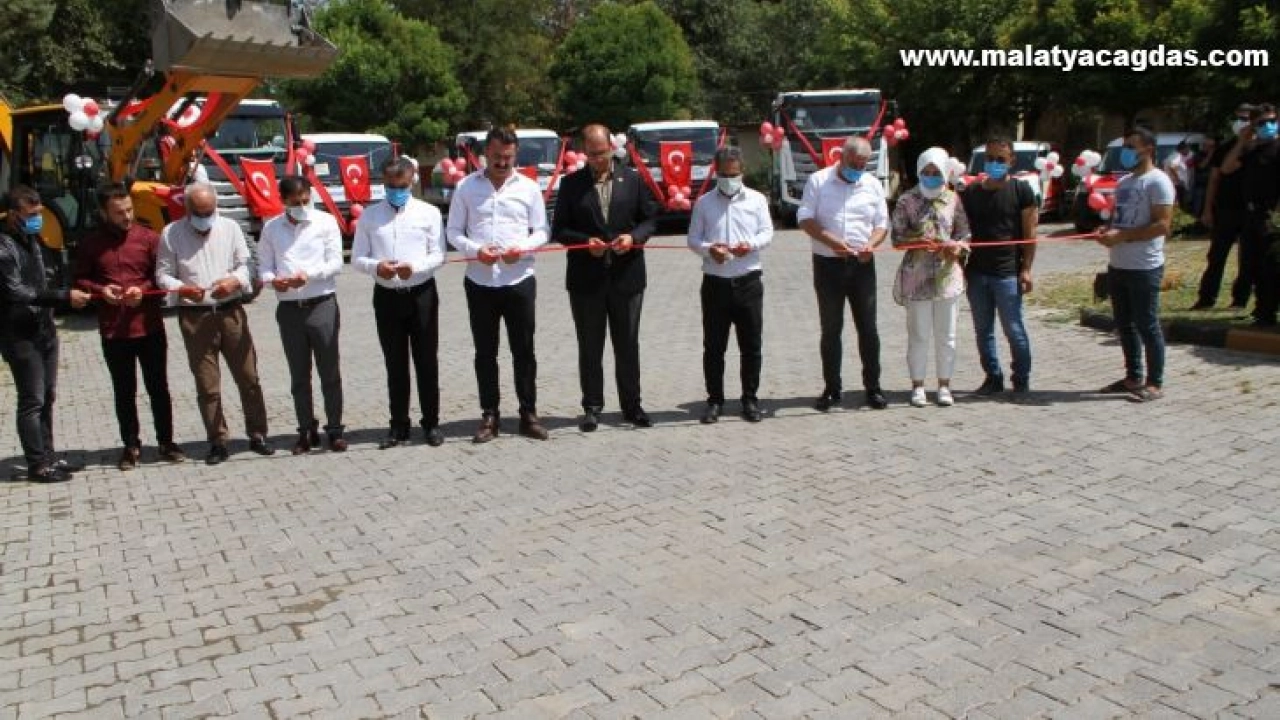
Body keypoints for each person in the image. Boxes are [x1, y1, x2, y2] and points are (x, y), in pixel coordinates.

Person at [551, 123, 660, 431]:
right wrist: (586, 243)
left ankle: (632, 405)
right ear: (584, 152)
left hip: (627, 277)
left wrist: (633, 237)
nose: (599, 159)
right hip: (586, 280)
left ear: (612, 148)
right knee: (590, 346)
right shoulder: (571, 184)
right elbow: (559, 229)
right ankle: (592, 407)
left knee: (627, 344)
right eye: (592, 154)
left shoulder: (633, 180)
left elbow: (651, 219)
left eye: (603, 152)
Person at [156, 182, 274, 464]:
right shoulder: (171, 233)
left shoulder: (230, 228)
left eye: (209, 212)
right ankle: (218, 440)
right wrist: (182, 288)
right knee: (207, 385)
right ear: (187, 209)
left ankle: (258, 433)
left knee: (248, 377)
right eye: (199, 213)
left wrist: (235, 281)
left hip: (230, 312)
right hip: (195, 317)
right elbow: (163, 274)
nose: (205, 219)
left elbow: (246, 264)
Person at [447, 128, 550, 443]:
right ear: (485, 155)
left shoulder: (529, 188)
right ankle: (489, 415)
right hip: (480, 282)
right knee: (485, 353)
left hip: (519, 280)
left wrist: (524, 248)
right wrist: (475, 250)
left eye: (508, 157)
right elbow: (453, 231)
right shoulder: (466, 187)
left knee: (524, 350)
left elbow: (542, 230)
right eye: (496, 157)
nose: (502, 163)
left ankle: (528, 414)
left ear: (515, 155)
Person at [73, 183, 186, 471]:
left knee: (158, 387)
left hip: (148, 326)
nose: (126, 216)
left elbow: (162, 276)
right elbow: (79, 279)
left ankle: (166, 442)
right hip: (114, 330)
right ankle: (131, 445)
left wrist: (143, 290)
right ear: (104, 213)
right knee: (124, 391)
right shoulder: (90, 244)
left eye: (129, 210)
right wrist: (100, 290)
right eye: (119, 212)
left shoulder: (149, 238)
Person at [351, 156, 447, 448]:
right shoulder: (370, 216)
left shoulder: (428, 213)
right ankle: (398, 425)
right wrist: (376, 266)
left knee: (426, 361)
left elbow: (439, 254)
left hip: (421, 294)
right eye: (391, 186)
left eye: (402, 186)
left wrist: (415, 268)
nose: (397, 191)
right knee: (395, 363)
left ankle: (431, 423)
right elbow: (357, 258)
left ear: (412, 181)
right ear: (384, 183)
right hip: (387, 296)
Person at [0, 186, 91, 482]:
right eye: (31, 215)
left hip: (44, 328)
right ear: (13, 214)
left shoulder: (32, 239)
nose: (37, 219)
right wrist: (62, 297)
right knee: (32, 400)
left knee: (48, 395)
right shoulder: (3, 247)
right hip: (20, 334)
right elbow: (17, 291)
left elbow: (42, 277)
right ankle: (37, 465)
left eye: (39, 213)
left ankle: (49, 455)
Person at [797, 136, 889, 411]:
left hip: (862, 265)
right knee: (831, 328)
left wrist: (872, 244)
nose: (857, 170)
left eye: (863, 165)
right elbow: (804, 218)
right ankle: (832, 389)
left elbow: (882, 224)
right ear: (841, 157)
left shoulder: (872, 184)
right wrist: (831, 241)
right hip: (828, 265)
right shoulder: (818, 181)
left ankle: (873, 388)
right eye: (853, 164)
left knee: (868, 328)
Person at [259, 176, 347, 454]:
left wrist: (309, 275)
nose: (301, 206)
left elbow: (336, 263)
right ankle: (306, 430)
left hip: (321, 305)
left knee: (329, 372)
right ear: (283, 200)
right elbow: (264, 267)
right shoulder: (271, 228)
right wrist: (273, 281)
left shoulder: (325, 222)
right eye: (295, 202)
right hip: (289, 310)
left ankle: (335, 429)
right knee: (299, 375)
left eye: (306, 200)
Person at [686, 146, 774, 424]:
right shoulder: (704, 203)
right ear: (716, 172)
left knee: (751, 346)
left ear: (742, 172)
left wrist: (752, 244)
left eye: (733, 175)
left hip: (748, 281)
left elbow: (767, 232)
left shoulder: (757, 200)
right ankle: (715, 401)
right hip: (715, 284)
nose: (729, 180)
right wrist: (708, 250)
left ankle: (750, 399)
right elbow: (693, 239)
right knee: (714, 347)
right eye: (723, 175)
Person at [1095, 127, 1176, 402]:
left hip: (1145, 266)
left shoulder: (1158, 181)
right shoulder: (1125, 182)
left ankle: (1155, 382)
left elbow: (1162, 225)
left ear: (1148, 149)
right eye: (1125, 146)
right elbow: (1119, 220)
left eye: (1131, 146)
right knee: (1125, 325)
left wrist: (1123, 236)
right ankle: (1133, 376)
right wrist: (1106, 232)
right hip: (1119, 264)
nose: (1126, 152)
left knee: (1147, 325)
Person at [891, 148, 971, 407]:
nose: (931, 176)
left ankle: (944, 385)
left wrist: (957, 248)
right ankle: (918, 386)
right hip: (917, 278)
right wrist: (916, 241)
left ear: (945, 172)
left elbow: (964, 233)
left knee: (947, 335)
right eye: (926, 172)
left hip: (947, 278)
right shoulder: (907, 200)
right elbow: (897, 238)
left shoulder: (953, 199)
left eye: (936, 172)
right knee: (919, 334)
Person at [959, 138, 1038, 394]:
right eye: (990, 158)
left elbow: (1030, 234)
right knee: (983, 330)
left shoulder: (1021, 190)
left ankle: (1021, 378)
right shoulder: (971, 193)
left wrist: (1026, 269)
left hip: (1007, 273)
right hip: (977, 273)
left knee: (1014, 329)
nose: (994, 163)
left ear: (1011, 161)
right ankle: (993, 377)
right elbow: (961, 231)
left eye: (1000, 159)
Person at [1220, 103, 1280, 327]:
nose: (1269, 125)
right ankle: (1261, 309)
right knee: (1251, 264)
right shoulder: (1251, 150)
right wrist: (1242, 141)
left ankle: (1268, 311)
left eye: (1272, 121)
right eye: (1263, 122)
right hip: (1251, 214)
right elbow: (1227, 168)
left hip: (1270, 214)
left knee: (1270, 266)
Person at [1194, 104, 1255, 310]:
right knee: (1216, 256)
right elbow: (1214, 179)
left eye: (1247, 119)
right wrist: (1207, 209)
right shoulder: (1224, 148)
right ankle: (1206, 298)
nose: (1242, 123)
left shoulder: (1260, 148)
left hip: (1250, 209)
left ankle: (1240, 299)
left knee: (1247, 258)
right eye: (1239, 118)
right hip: (1226, 209)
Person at [1163, 141, 1192, 211]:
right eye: (1187, 149)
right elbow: (1172, 167)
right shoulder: (1177, 156)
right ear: (1183, 149)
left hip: (1175, 184)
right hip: (1176, 185)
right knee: (1179, 204)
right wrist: (1178, 179)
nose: (1188, 151)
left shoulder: (1174, 155)